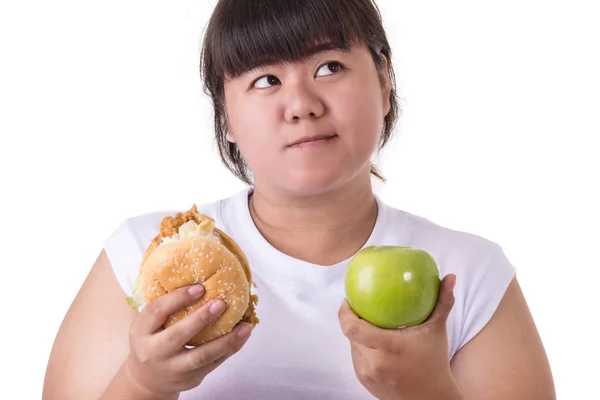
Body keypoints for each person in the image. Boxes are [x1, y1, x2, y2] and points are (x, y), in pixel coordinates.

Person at [43, 0, 556, 399]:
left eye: (329, 67)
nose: (303, 106)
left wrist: (428, 393)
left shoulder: (470, 273)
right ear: (227, 118)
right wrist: (144, 382)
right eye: (266, 80)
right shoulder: (147, 256)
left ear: (383, 81)